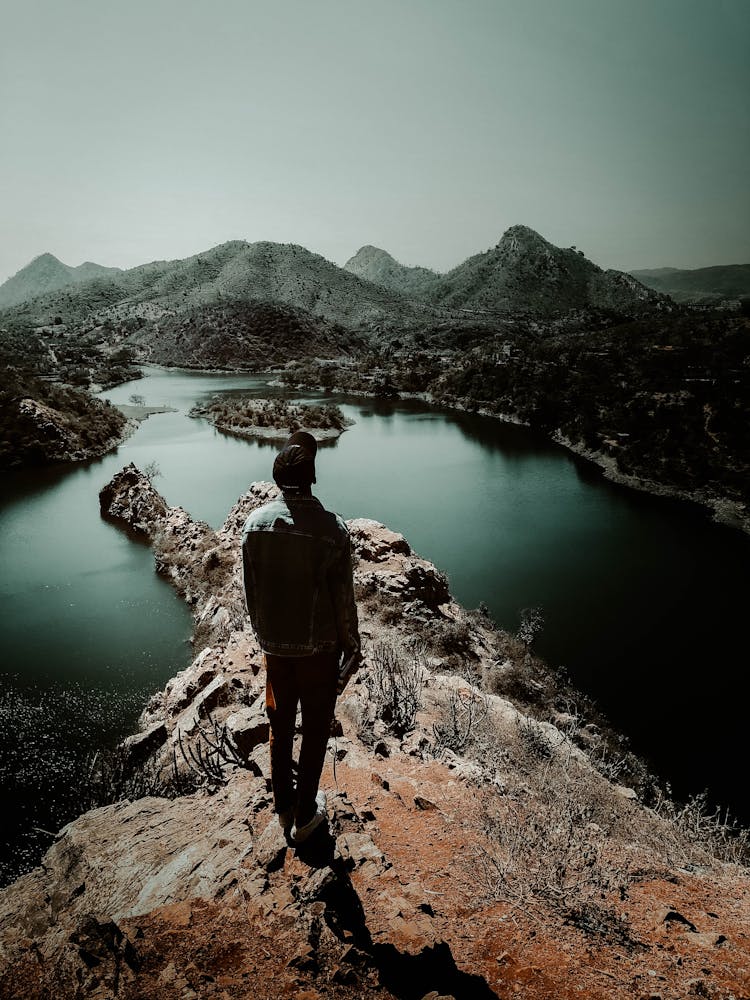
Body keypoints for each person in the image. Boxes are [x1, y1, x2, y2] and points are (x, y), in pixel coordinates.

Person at [241, 430, 361, 843]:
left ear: (277, 479)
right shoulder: (333, 530)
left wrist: (264, 636)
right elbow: (343, 599)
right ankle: (307, 814)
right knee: (314, 730)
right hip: (319, 650)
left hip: (275, 648)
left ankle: (283, 804)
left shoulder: (253, 526)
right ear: (312, 478)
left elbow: (250, 592)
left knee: (280, 724)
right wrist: (353, 647)